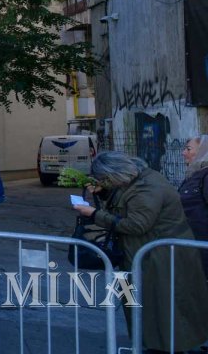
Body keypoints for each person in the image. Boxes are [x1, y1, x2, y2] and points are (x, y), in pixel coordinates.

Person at [71, 151, 208, 351]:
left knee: (163, 308)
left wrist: (94, 214)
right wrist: (102, 193)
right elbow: (124, 207)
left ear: (115, 174)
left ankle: (166, 347)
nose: (104, 183)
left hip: (159, 258)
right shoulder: (138, 179)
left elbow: (136, 224)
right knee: (151, 308)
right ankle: (154, 344)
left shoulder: (146, 188)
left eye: (105, 179)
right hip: (149, 254)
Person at [179, 135, 208, 283]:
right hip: (194, 244)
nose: (184, 153)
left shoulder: (206, 176)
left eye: (188, 149)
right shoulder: (194, 174)